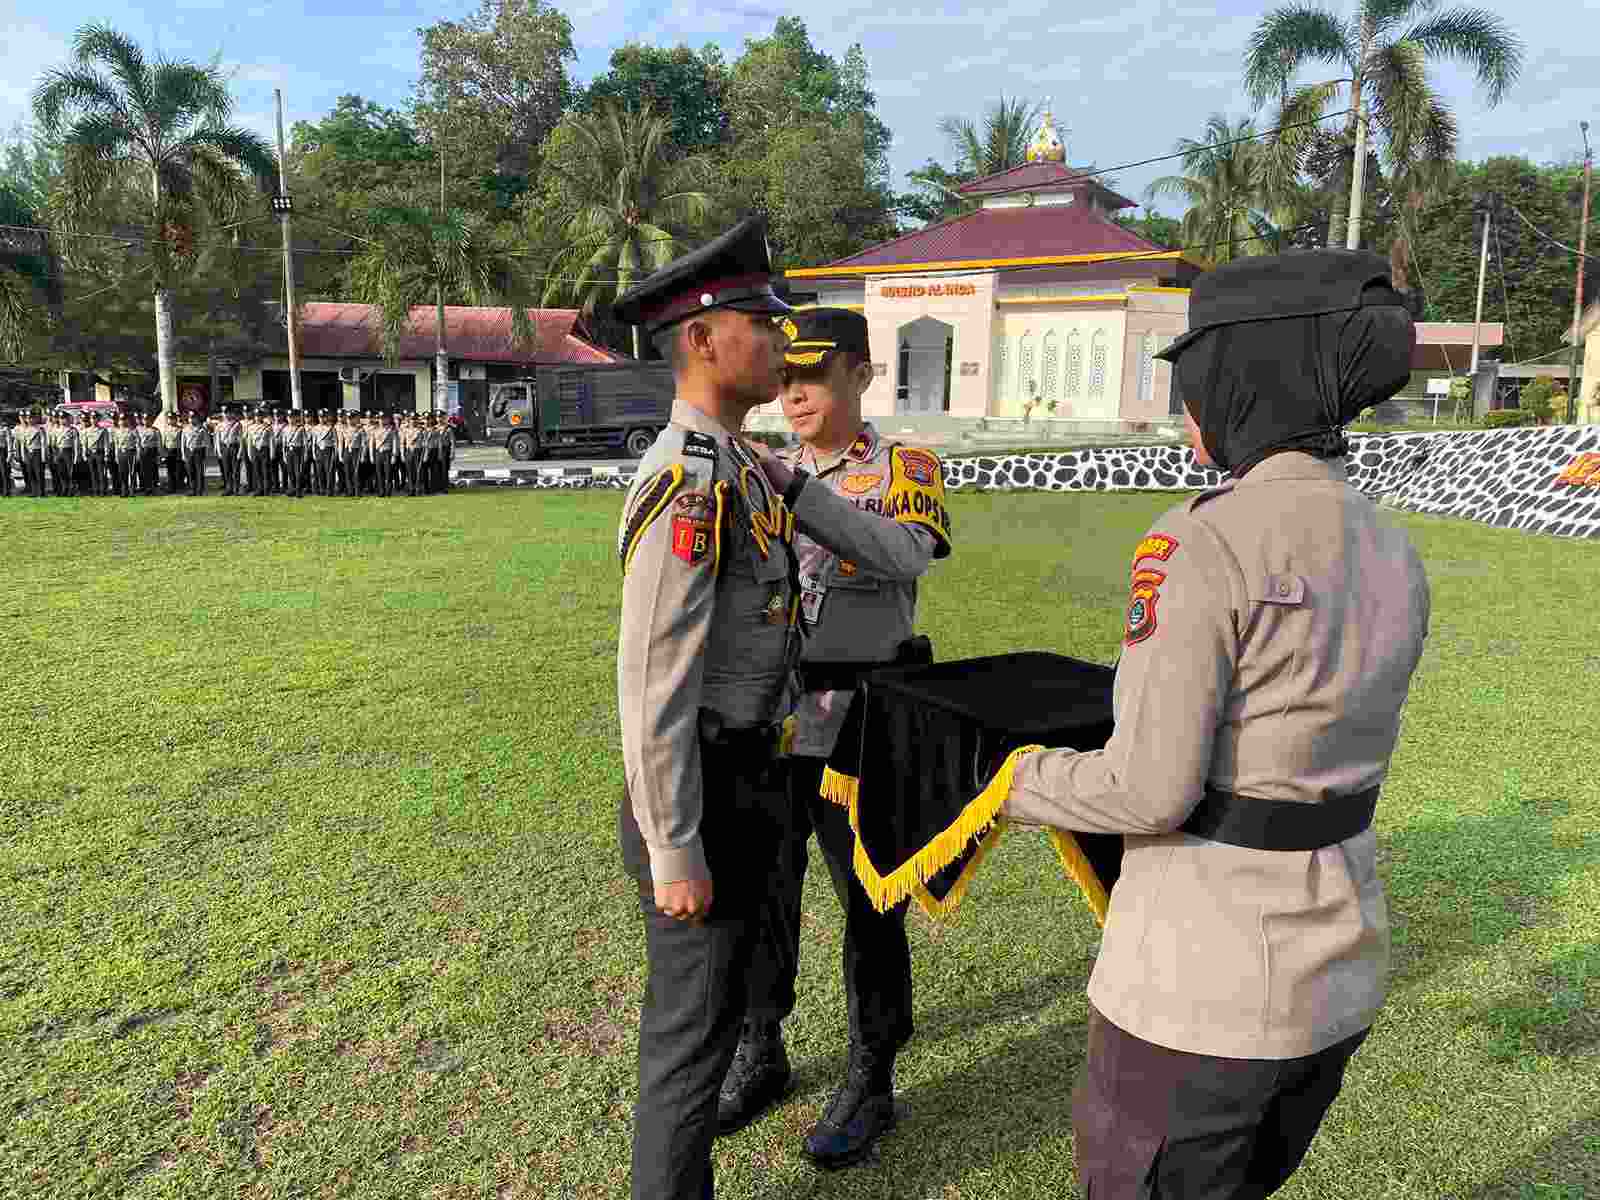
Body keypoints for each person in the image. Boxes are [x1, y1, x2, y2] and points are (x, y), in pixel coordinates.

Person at [979, 250, 1431, 1200]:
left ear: (1239, 381)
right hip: (1339, 966)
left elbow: (1146, 790)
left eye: (1195, 384)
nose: (1189, 415)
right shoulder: (1390, 540)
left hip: (1201, 987)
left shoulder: (1203, 537)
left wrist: (1007, 778)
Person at [720, 308, 951, 1169]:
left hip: (860, 725)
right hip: (771, 722)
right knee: (763, 892)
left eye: (813, 375)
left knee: (869, 906)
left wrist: (798, 492)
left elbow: (904, 555)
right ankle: (762, 1045)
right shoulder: (756, 472)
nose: (794, 393)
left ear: (861, 373)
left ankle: (871, 1073)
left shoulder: (903, 467)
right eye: (784, 376)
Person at [182, 409, 211, 496]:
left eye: (193, 417)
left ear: (197, 418)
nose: (191, 419)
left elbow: (207, 441)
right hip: (189, 451)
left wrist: (207, 452)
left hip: (199, 451)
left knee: (199, 471)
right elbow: (183, 443)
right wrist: (183, 454)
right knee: (190, 471)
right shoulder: (185, 428)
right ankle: (192, 489)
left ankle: (199, 490)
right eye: (190, 418)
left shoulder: (202, 428)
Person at [110, 412, 138, 497]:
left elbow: (137, 442)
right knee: (122, 473)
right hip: (121, 452)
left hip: (130, 452)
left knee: (131, 472)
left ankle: (132, 490)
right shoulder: (117, 431)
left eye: (124, 419)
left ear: (128, 420)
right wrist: (116, 455)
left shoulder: (133, 430)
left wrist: (137, 454)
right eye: (121, 420)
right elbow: (116, 444)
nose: (122, 421)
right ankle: (124, 491)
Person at [134, 413, 161, 495]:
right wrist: (138, 452)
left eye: (148, 419)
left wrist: (159, 454)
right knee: (143, 470)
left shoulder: (155, 430)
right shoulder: (138, 429)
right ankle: (145, 487)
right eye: (144, 419)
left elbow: (159, 442)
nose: (146, 421)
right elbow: (137, 441)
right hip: (143, 451)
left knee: (153, 470)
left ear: (151, 420)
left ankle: (153, 488)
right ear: (142, 420)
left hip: (152, 451)